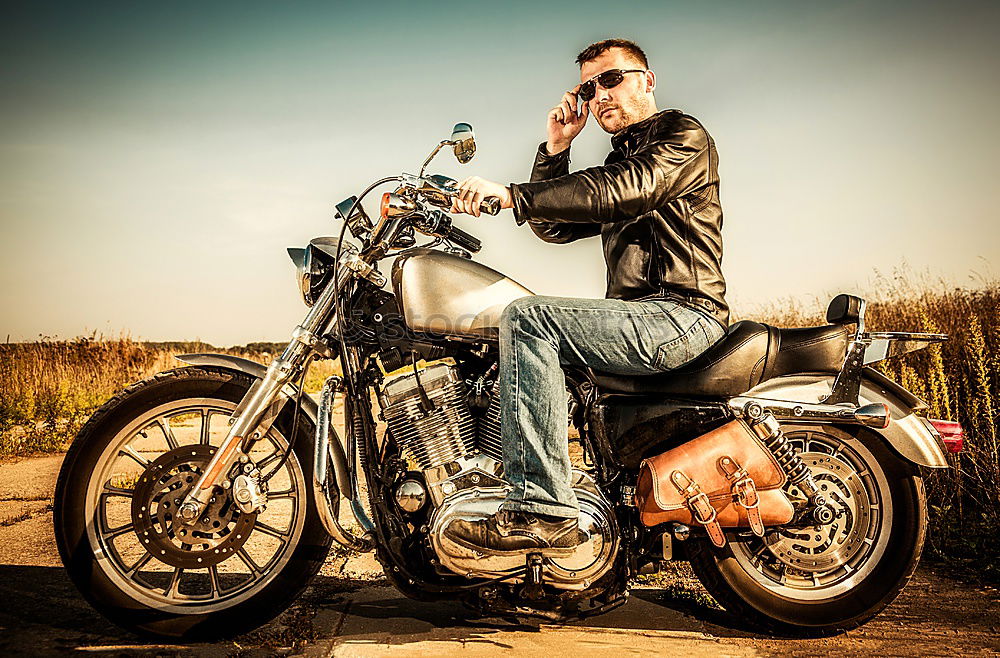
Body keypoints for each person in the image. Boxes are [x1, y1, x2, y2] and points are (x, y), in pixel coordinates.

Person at [445, 38, 729, 556]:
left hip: (679, 313)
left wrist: (513, 193)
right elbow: (553, 226)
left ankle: (543, 510)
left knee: (530, 319)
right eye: (588, 87)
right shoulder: (621, 163)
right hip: (640, 316)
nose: (600, 94)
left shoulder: (681, 137)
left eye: (612, 79)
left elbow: (624, 189)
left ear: (648, 79)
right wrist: (554, 149)